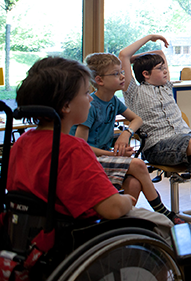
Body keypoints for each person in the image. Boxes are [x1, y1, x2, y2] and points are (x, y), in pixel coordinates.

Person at [8, 57, 135, 220]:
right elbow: (113, 209)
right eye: (86, 93)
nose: (90, 98)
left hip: (27, 231)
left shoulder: (22, 142)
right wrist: (125, 201)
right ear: (66, 106)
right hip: (69, 233)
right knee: (161, 225)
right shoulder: (73, 148)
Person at [120, 34, 191, 247]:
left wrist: (151, 59)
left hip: (185, 142)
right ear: (145, 74)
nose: (165, 71)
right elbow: (124, 55)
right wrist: (150, 39)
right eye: (160, 69)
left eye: (164, 68)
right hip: (157, 146)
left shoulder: (165, 86)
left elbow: (160, 53)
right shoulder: (134, 92)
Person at [70, 52, 181, 223]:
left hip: (102, 157)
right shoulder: (90, 106)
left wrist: (125, 134)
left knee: (135, 184)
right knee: (137, 164)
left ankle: (123, 222)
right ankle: (163, 211)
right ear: (99, 80)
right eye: (116, 74)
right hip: (85, 160)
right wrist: (113, 155)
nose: (122, 76)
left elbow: (137, 119)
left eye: (122, 72)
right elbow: (81, 147)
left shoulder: (114, 101)